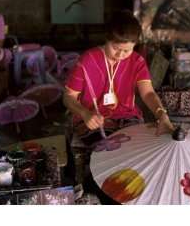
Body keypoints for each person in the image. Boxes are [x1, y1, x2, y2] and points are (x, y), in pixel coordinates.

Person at [63, 10, 174, 146]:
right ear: (106, 39)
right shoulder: (87, 60)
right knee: (108, 148)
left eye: (127, 50)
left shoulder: (137, 61)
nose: (121, 54)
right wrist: (85, 113)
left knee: (139, 146)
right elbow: (68, 97)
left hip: (127, 116)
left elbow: (148, 93)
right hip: (92, 118)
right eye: (116, 48)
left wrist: (161, 115)